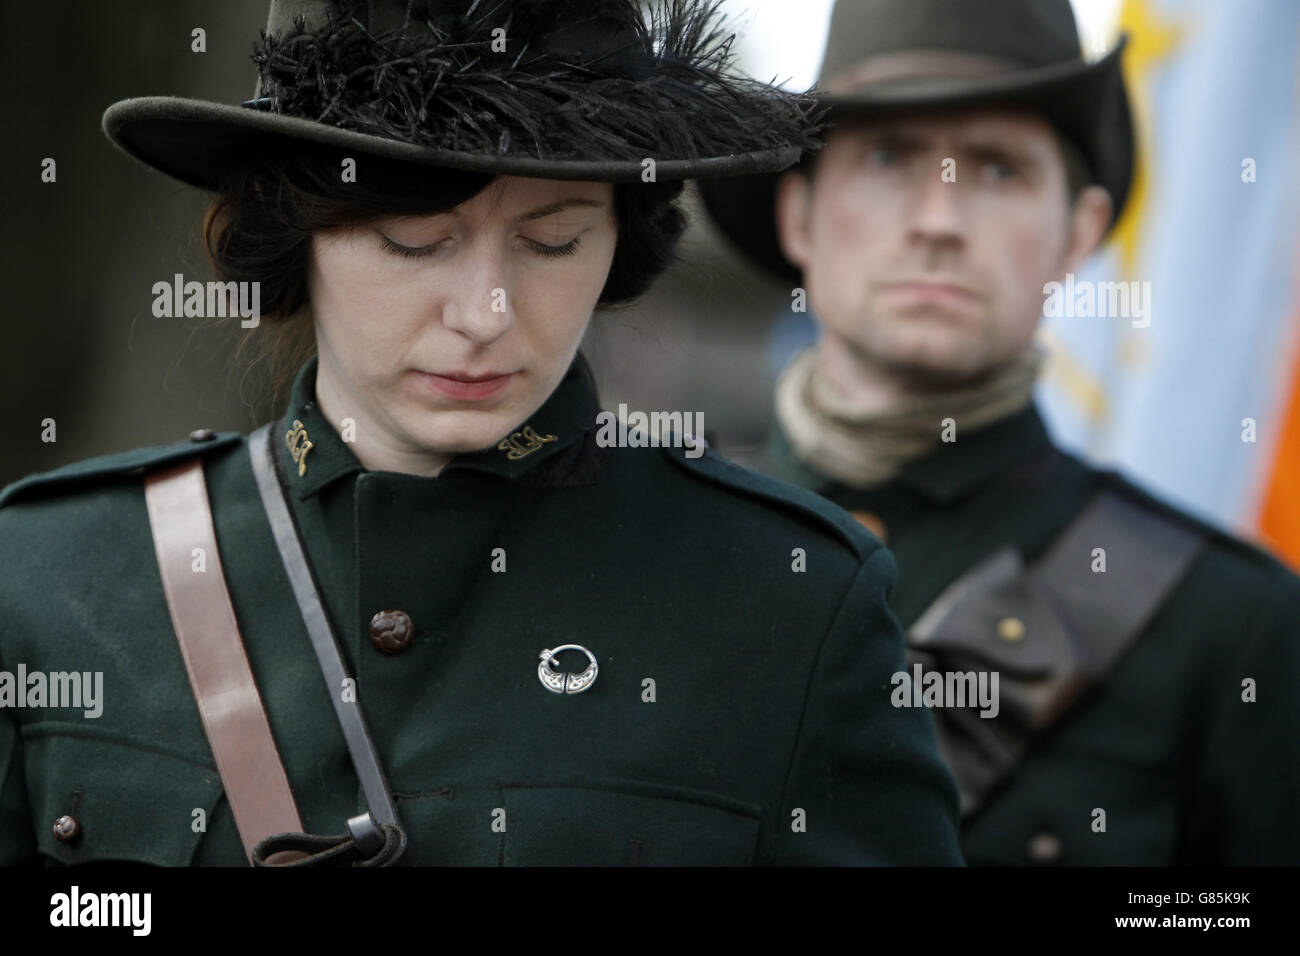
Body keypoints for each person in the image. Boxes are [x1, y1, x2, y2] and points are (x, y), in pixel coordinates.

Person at [0, 0, 963, 866]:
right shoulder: (52, 577)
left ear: (624, 239)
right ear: (294, 232)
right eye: (415, 239)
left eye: (554, 240)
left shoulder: (792, 609)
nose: (486, 312)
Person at [700, 0, 1300, 865]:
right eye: (886, 156)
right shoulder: (640, 554)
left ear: (1080, 235)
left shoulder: (1236, 626)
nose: (939, 220)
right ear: (799, 215)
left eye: (997, 169)